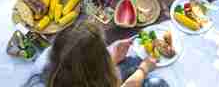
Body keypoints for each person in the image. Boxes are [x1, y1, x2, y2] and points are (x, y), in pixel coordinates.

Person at [24, 21, 169, 87]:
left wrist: (113, 59)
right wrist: (144, 69)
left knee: (132, 62)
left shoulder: (48, 62)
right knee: (157, 83)